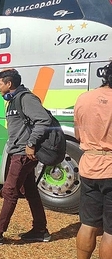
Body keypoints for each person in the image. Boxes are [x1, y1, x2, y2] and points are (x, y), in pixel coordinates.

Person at [0, 69, 51, 246]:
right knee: (30, 190)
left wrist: (31, 144)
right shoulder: (13, 100)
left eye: (0, 84)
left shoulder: (26, 98)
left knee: (9, 191)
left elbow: (43, 120)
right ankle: (40, 230)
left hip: (23, 154)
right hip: (18, 151)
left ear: (9, 84)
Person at [74, 61, 112, 259]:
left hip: (89, 166)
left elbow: (78, 135)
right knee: (110, 232)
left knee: (88, 224)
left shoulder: (84, 98)